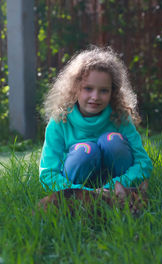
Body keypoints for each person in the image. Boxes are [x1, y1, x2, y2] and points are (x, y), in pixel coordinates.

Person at [39, 46, 153, 192]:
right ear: (75, 88)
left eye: (104, 90)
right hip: (78, 193)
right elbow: (48, 173)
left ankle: (119, 196)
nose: (95, 97)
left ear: (113, 92)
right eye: (88, 88)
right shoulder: (60, 121)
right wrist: (85, 193)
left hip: (117, 190)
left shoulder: (120, 118)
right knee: (85, 151)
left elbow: (143, 163)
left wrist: (111, 188)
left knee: (112, 141)